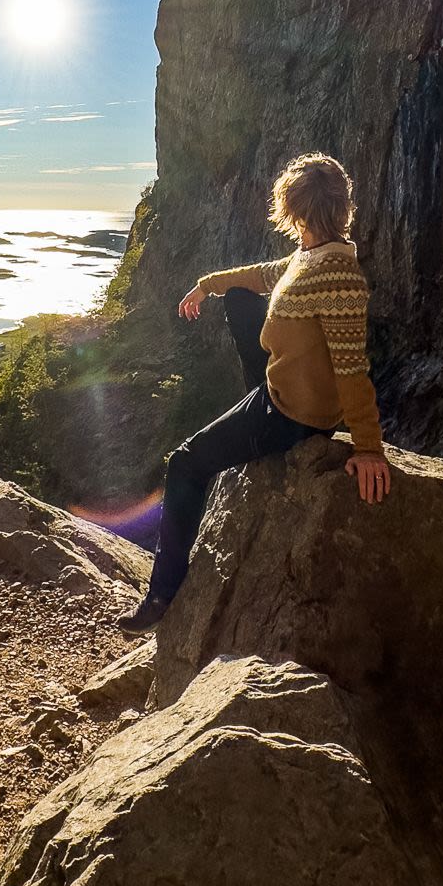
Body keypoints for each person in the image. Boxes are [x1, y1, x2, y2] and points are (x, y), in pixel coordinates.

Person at [116, 152, 391, 634]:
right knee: (242, 298)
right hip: (275, 387)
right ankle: (251, 407)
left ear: (299, 212)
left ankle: (162, 594)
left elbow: (352, 369)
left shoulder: (339, 276)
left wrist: (368, 448)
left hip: (292, 414)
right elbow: (263, 273)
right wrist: (206, 286)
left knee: (184, 463)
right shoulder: (310, 255)